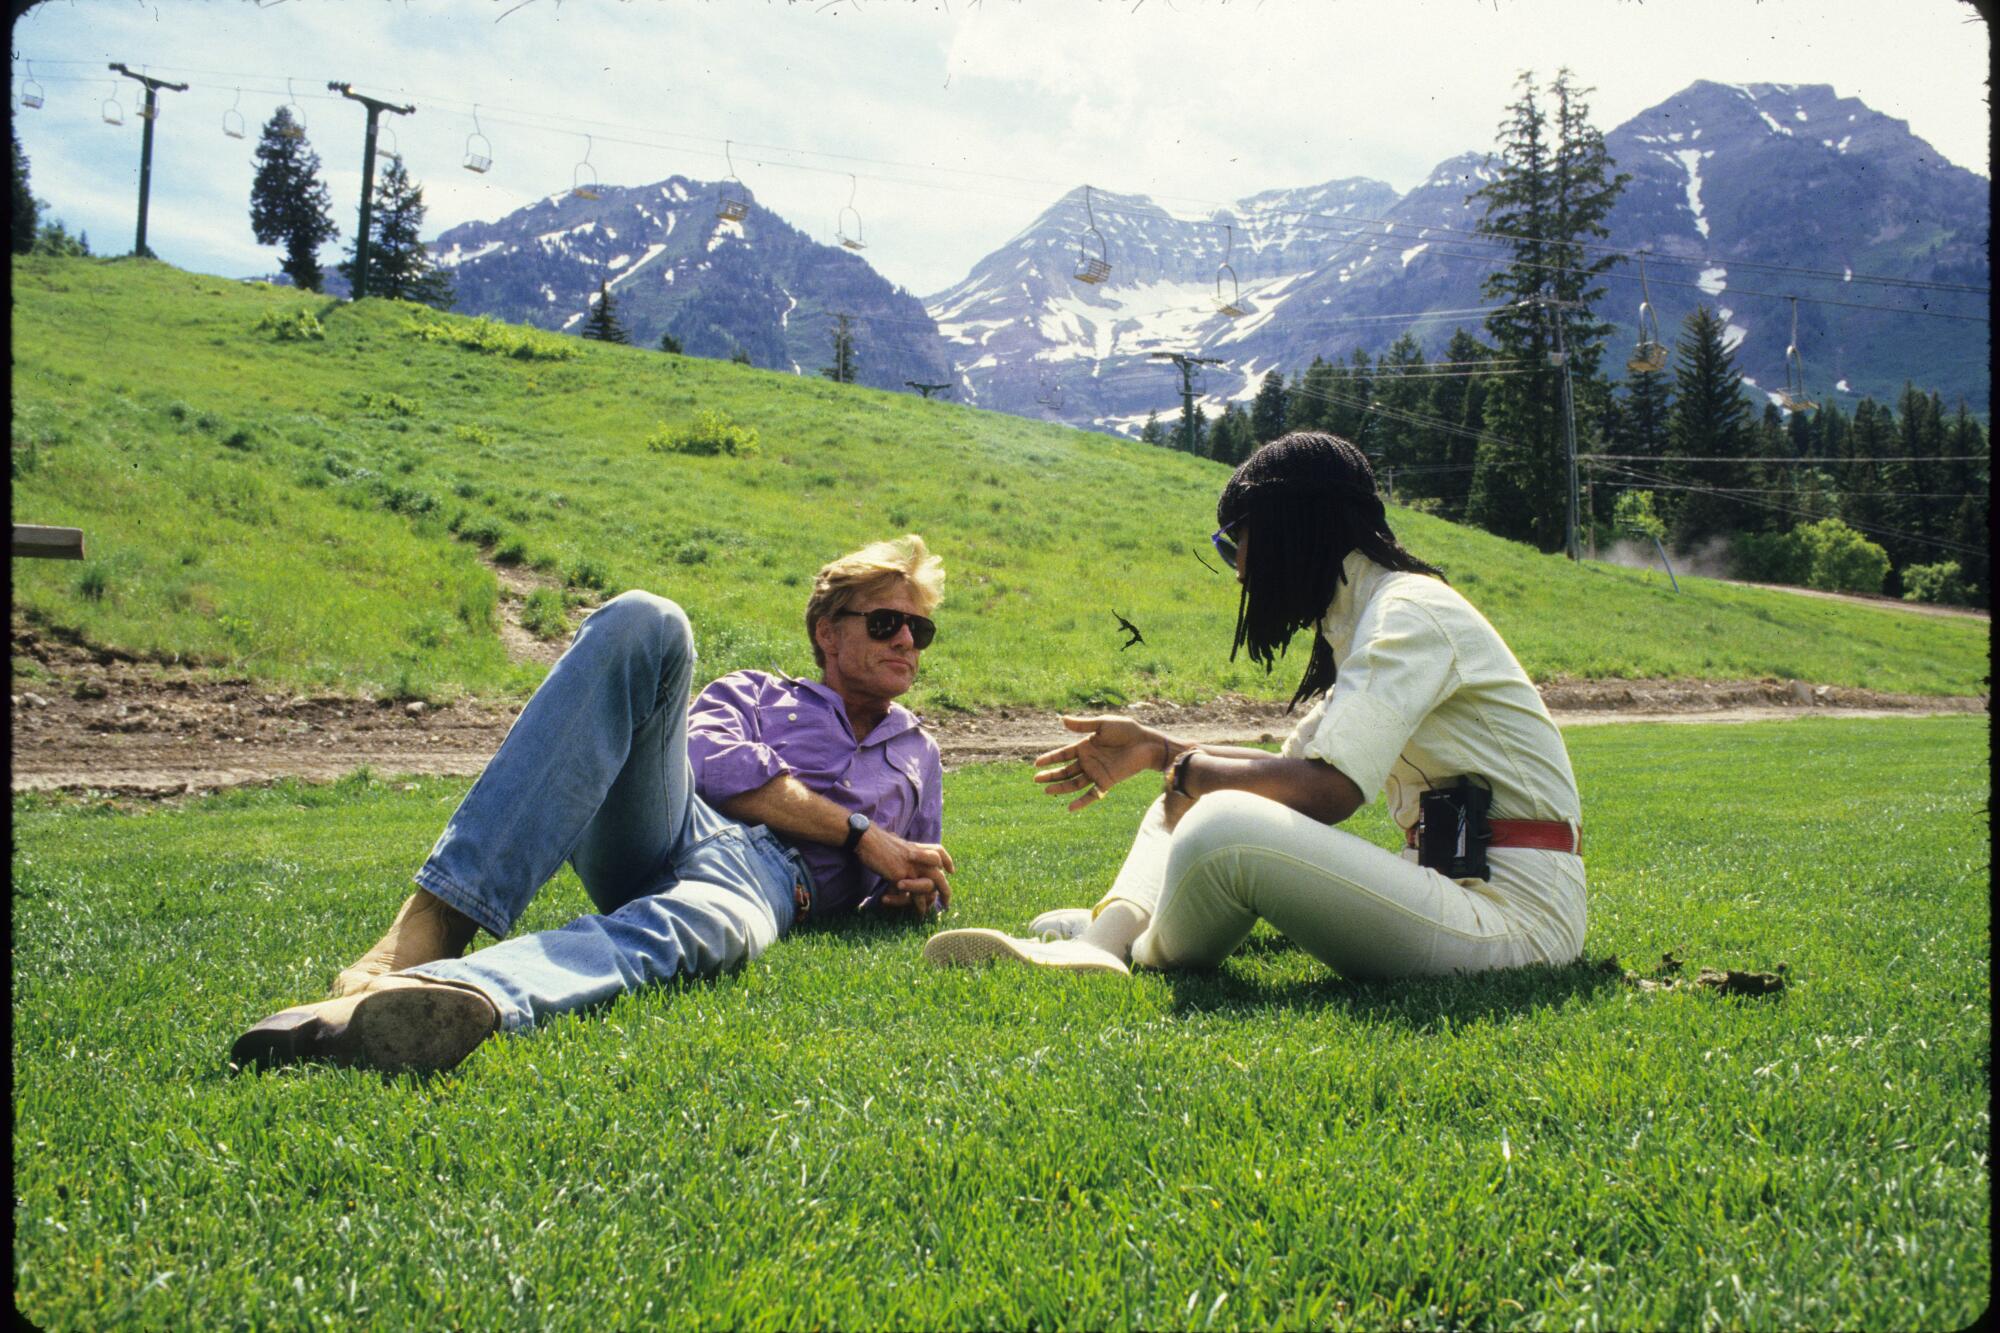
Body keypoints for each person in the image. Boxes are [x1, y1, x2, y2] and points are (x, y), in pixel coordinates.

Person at [234, 535, 952, 1074]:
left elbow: (907, 870)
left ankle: (440, 993)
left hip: (769, 882)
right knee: (649, 620)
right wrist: (861, 834)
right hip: (667, 820)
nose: (905, 642)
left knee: (708, 925)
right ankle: (436, 917)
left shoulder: (920, 752)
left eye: (918, 631)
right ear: (829, 631)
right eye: (886, 621)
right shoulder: (756, 692)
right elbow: (713, 763)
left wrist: (907, 892)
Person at [923, 432, 1584, 980]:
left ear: (1292, 528)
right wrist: (1161, 752)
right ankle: (1105, 935)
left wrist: (1190, 771)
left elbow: (1327, 791)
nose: (1238, 568)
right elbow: (1290, 770)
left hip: (1514, 916)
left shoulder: (1407, 615)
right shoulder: (1373, 618)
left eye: (1234, 540)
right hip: (1458, 890)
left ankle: (1118, 947)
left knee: (1222, 821)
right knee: (1198, 798)